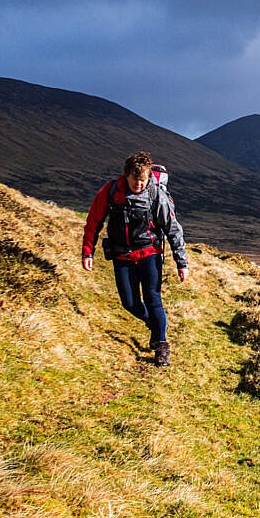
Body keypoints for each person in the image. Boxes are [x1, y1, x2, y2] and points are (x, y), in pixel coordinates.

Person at [82, 152, 188, 367]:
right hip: (122, 255)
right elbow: (94, 221)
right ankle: (154, 324)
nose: (139, 185)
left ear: (149, 177)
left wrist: (181, 262)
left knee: (152, 297)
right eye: (134, 180)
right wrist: (87, 252)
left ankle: (161, 344)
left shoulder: (155, 195)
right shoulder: (110, 191)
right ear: (126, 176)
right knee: (129, 303)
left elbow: (173, 229)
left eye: (143, 180)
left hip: (149, 253)